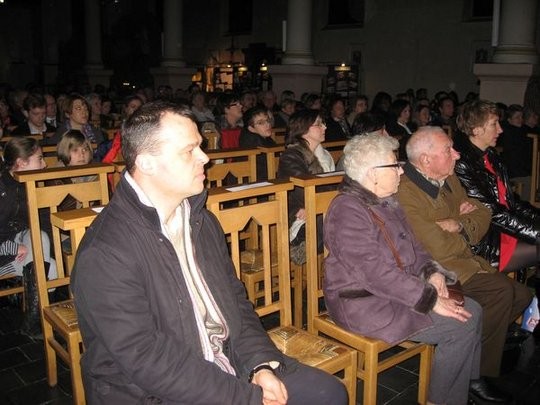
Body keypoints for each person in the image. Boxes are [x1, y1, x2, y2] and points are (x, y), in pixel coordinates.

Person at [70, 101, 347, 405]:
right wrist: (245, 397)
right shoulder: (106, 251)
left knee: (329, 393)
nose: (205, 157)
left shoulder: (200, 220)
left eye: (200, 147)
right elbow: (146, 359)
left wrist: (260, 363)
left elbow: (235, 301)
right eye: (190, 151)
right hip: (150, 391)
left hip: (225, 358)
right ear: (147, 163)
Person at [324, 134, 490, 405]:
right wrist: (429, 299)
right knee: (461, 325)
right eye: (395, 165)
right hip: (364, 303)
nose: (402, 170)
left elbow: (417, 247)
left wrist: (432, 272)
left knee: (474, 309)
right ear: (373, 174)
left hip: (396, 291)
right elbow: (373, 273)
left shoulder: (387, 200)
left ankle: (465, 384)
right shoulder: (347, 210)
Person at [396, 126, 531, 388]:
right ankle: (475, 377)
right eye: (448, 149)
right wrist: (465, 220)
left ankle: (468, 352)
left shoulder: (447, 177)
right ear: (426, 159)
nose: (457, 154)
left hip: (465, 260)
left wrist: (457, 223)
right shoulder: (406, 192)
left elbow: (483, 211)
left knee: (523, 295)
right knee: (502, 292)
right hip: (437, 269)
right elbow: (437, 248)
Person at [453, 99, 539, 304]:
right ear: (476, 129)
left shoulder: (491, 157)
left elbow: (512, 202)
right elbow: (491, 211)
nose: (500, 129)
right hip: (485, 240)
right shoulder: (462, 163)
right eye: (494, 124)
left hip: (503, 230)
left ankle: (528, 310)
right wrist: (535, 232)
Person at [0, 137, 58, 336]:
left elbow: (41, 223)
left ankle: (32, 321)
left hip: (21, 245)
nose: (45, 163)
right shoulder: (2, 189)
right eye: (39, 159)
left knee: (44, 247)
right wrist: (13, 248)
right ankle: (33, 320)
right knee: (50, 271)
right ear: (21, 163)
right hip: (3, 254)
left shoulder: (31, 185)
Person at [277, 110, 335, 262]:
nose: (325, 127)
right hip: (298, 215)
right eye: (318, 124)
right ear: (303, 130)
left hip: (319, 208)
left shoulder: (324, 155)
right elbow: (302, 190)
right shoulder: (291, 156)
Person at [496, 104, 534, 200]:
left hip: (522, 170)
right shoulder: (508, 132)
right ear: (509, 119)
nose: (520, 119)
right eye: (517, 117)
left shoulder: (523, 131)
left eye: (521, 117)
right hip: (515, 172)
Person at [239, 106, 276, 181]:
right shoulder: (253, 143)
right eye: (261, 123)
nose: (268, 124)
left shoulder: (266, 139)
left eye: (268, 120)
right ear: (251, 128)